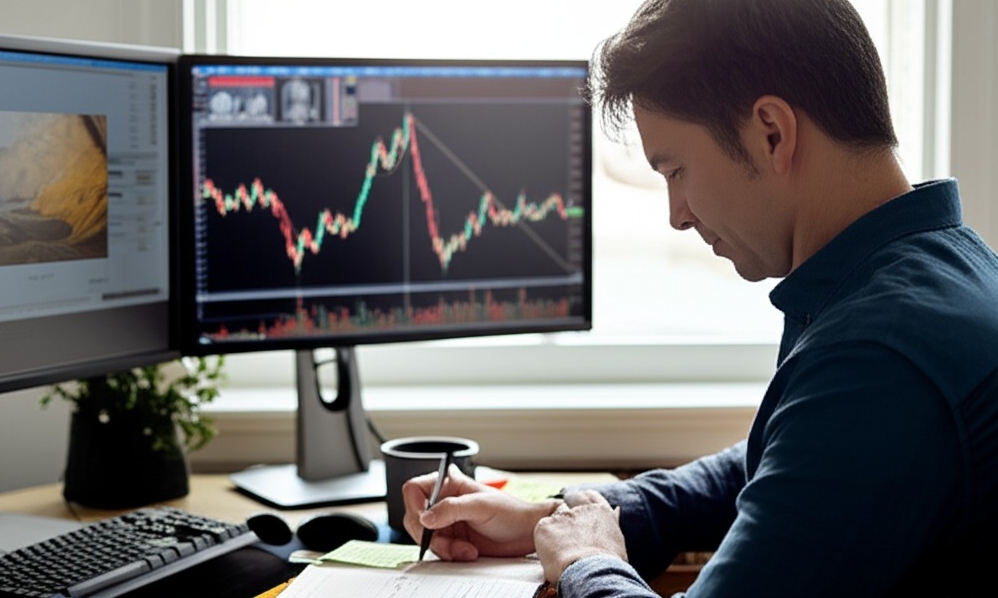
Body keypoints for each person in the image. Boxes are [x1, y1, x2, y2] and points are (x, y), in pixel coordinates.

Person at [401, 0, 998, 595]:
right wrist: (567, 517)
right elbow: (777, 464)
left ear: (772, 132)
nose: (676, 215)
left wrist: (587, 560)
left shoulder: (880, 361)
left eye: (676, 169)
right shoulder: (936, 273)